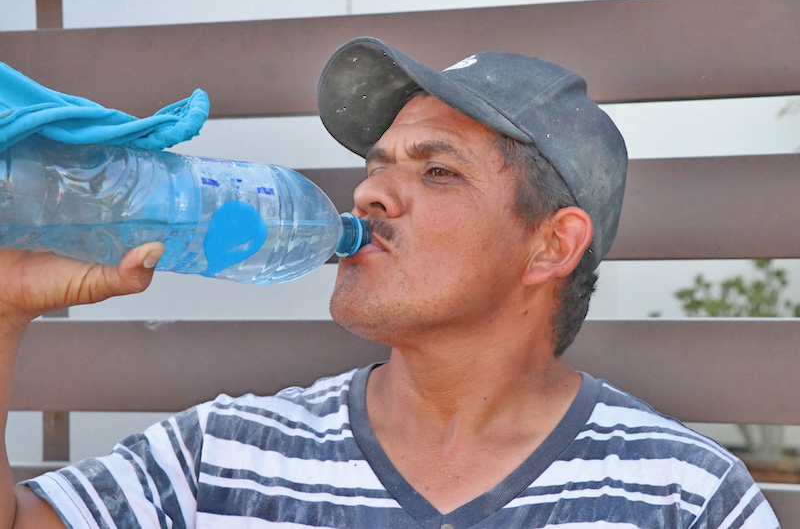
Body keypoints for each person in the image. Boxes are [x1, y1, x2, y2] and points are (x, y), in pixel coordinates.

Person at [1, 37, 778, 528]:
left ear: (550, 245)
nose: (369, 194)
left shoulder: (683, 495)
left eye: (438, 171)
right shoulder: (223, 455)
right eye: (376, 168)